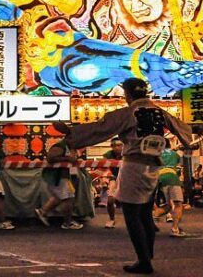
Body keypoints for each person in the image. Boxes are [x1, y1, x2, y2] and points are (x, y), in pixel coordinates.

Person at [53, 77, 192, 275]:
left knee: (132, 215)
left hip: (134, 165)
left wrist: (70, 132)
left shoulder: (129, 113)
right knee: (145, 215)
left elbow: (102, 127)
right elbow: (183, 129)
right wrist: (189, 140)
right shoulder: (160, 112)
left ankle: (144, 261)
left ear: (127, 93)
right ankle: (147, 256)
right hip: (153, 167)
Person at [35, 129, 84, 230]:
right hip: (57, 177)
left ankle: (42, 212)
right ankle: (67, 222)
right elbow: (50, 158)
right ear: (69, 138)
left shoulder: (69, 147)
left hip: (62, 176)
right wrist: (67, 159)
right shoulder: (60, 146)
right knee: (68, 198)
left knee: (58, 197)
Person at [152, 142, 186, 237]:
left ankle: (151, 217)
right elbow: (177, 164)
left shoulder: (156, 153)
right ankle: (175, 229)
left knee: (169, 205)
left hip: (160, 177)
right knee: (178, 204)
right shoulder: (175, 154)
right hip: (172, 177)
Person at [101, 137, 123, 229]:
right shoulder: (107, 155)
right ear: (111, 146)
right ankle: (111, 219)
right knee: (110, 200)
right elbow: (103, 169)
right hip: (114, 178)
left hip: (128, 179)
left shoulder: (128, 154)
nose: (117, 147)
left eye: (119, 145)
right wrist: (104, 178)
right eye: (114, 145)